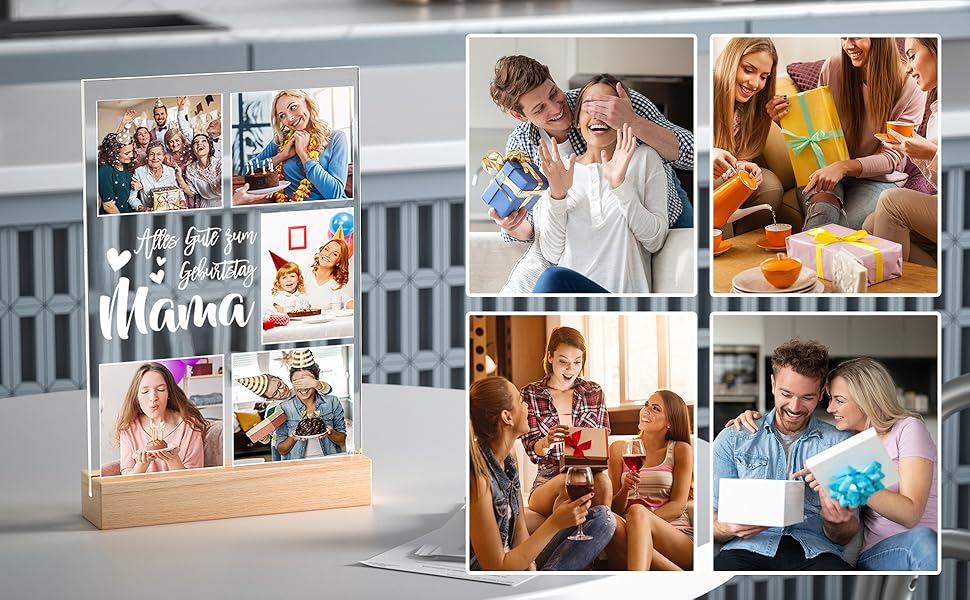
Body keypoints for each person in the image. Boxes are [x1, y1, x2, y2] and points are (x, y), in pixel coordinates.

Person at [728, 358, 938, 571]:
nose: (829, 408)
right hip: (876, 553)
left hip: (919, 545)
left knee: (922, 539)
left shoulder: (908, 429)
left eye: (839, 400)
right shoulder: (849, 442)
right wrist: (756, 418)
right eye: (830, 399)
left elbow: (910, 515)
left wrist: (840, 476)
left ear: (866, 399)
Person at [488, 55, 694, 243]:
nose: (556, 108)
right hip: (598, 240)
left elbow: (693, 155)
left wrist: (633, 121)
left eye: (553, 93)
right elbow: (529, 229)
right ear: (520, 116)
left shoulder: (609, 101)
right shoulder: (522, 145)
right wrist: (513, 226)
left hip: (666, 214)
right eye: (539, 108)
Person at [713, 339, 858, 571]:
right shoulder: (733, 438)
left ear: (822, 393)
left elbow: (846, 534)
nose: (794, 406)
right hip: (747, 549)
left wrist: (836, 521)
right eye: (786, 393)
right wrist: (729, 527)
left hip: (814, 551)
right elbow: (710, 523)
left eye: (807, 397)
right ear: (772, 384)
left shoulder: (840, 445)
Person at [532, 75, 668, 294]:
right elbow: (551, 253)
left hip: (620, 300)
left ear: (623, 117)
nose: (597, 114)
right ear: (576, 120)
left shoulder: (643, 159)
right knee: (552, 277)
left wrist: (620, 186)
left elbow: (655, 241)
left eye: (606, 107)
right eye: (589, 106)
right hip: (572, 296)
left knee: (551, 278)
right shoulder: (561, 171)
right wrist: (557, 195)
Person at [469, 375, 616, 570]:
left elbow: (520, 532)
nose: (527, 406)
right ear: (507, 417)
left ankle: (544, 580)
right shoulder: (478, 478)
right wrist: (554, 523)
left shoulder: (509, 458)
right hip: (495, 579)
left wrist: (531, 568)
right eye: (521, 401)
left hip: (517, 564)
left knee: (602, 519)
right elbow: (496, 567)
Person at [796, 37, 925, 231]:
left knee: (841, 232)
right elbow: (817, 132)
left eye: (856, 36)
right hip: (829, 168)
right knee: (822, 215)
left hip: (877, 179)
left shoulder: (909, 83)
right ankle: (794, 261)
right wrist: (782, 118)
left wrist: (844, 167)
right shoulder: (833, 67)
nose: (848, 45)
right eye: (844, 37)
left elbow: (892, 158)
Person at [862, 37, 939, 267]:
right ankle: (933, 280)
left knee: (890, 202)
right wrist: (918, 152)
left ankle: (891, 294)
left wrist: (932, 153)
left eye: (912, 56)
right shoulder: (937, 107)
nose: (907, 68)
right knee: (870, 224)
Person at [521, 326, 612, 517]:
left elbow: (602, 440)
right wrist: (546, 442)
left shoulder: (593, 392)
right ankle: (562, 543)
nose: (571, 370)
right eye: (563, 361)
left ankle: (596, 540)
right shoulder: (531, 394)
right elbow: (533, 451)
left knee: (603, 482)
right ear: (550, 357)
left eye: (577, 362)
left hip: (587, 475)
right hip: (548, 480)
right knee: (566, 483)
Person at [607, 390, 693, 570]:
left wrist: (639, 521)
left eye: (655, 408)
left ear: (670, 421)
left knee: (637, 511)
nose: (646, 410)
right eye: (646, 405)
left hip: (674, 534)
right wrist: (625, 490)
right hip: (628, 531)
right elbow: (613, 507)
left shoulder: (680, 450)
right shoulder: (618, 449)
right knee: (607, 520)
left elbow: (678, 505)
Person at [711, 37, 785, 235]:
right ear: (731, 61)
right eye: (748, 70)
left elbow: (736, 155)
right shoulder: (703, 89)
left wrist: (741, 165)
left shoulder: (751, 106)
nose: (755, 84)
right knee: (720, 188)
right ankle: (720, 251)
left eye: (763, 76)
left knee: (770, 185)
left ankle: (744, 248)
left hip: (725, 174)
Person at [252, 89, 350, 201]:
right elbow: (247, 171)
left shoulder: (336, 138)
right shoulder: (281, 141)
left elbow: (335, 194)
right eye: (282, 116)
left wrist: (303, 155)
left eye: (293, 107)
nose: (289, 118)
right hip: (293, 211)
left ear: (307, 103)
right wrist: (282, 156)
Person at [114, 363, 209, 475]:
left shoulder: (189, 425)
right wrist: (142, 463)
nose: (153, 398)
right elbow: (126, 482)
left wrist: (173, 460)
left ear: (169, 393)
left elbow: (194, 479)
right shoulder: (128, 429)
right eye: (145, 391)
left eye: (161, 389)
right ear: (136, 396)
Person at [270, 349, 347, 461]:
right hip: (298, 467)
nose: (303, 387)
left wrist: (330, 432)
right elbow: (281, 449)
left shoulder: (332, 402)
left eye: (307, 381)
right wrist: (293, 437)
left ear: (316, 381)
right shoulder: (283, 408)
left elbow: (342, 440)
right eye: (297, 382)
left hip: (329, 463)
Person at [129, 141, 185, 211]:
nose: (155, 158)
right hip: (149, 216)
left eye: (159, 154)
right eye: (151, 154)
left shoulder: (170, 171)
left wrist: (182, 201)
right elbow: (132, 198)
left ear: (163, 156)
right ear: (147, 156)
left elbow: (178, 191)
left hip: (170, 214)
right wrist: (142, 208)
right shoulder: (139, 172)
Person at [306, 238, 354, 310]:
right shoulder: (305, 275)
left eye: (335, 254)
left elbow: (348, 301)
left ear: (339, 262)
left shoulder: (338, 285)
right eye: (326, 249)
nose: (327, 255)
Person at [176, 133, 222, 208]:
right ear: (193, 150)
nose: (199, 143)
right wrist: (179, 178)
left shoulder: (220, 163)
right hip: (204, 206)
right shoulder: (190, 168)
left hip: (223, 203)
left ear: (210, 147)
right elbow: (191, 193)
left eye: (203, 141)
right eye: (196, 142)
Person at [97, 133, 136, 215]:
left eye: (132, 151)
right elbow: (108, 205)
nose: (131, 155)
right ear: (114, 153)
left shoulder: (127, 166)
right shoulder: (106, 170)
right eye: (127, 153)